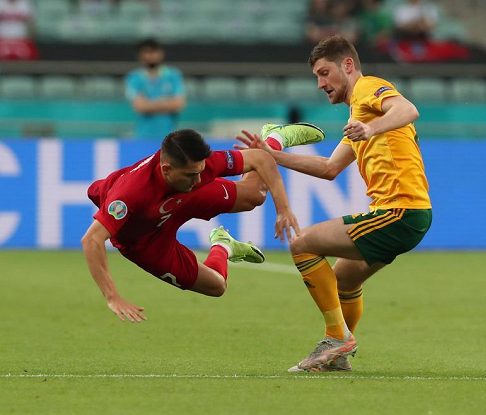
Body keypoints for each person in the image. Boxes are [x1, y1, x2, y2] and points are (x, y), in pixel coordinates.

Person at [236, 35, 432, 372]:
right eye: (316, 77)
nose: (320, 83)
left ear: (348, 66)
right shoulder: (359, 116)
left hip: (400, 210)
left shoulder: (369, 89)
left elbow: (408, 109)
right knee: (344, 282)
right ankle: (338, 357)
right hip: (407, 214)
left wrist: (371, 130)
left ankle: (337, 338)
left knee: (301, 244)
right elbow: (328, 169)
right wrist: (271, 155)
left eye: (324, 73)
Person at [82, 125, 324, 322]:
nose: (199, 179)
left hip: (181, 198)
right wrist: (112, 296)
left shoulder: (197, 171)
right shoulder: (130, 195)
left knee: (255, 196)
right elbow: (92, 240)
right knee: (216, 287)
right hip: (145, 241)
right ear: (166, 169)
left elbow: (260, 159)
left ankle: (275, 137)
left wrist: (283, 209)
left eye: (200, 171)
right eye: (191, 174)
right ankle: (223, 246)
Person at [125, 38, 185, 139]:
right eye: (146, 52)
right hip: (143, 137)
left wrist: (149, 104)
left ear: (161, 54)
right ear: (140, 55)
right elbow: (140, 107)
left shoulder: (173, 75)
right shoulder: (134, 78)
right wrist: (166, 102)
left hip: (169, 139)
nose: (150, 56)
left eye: (154, 52)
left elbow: (178, 104)